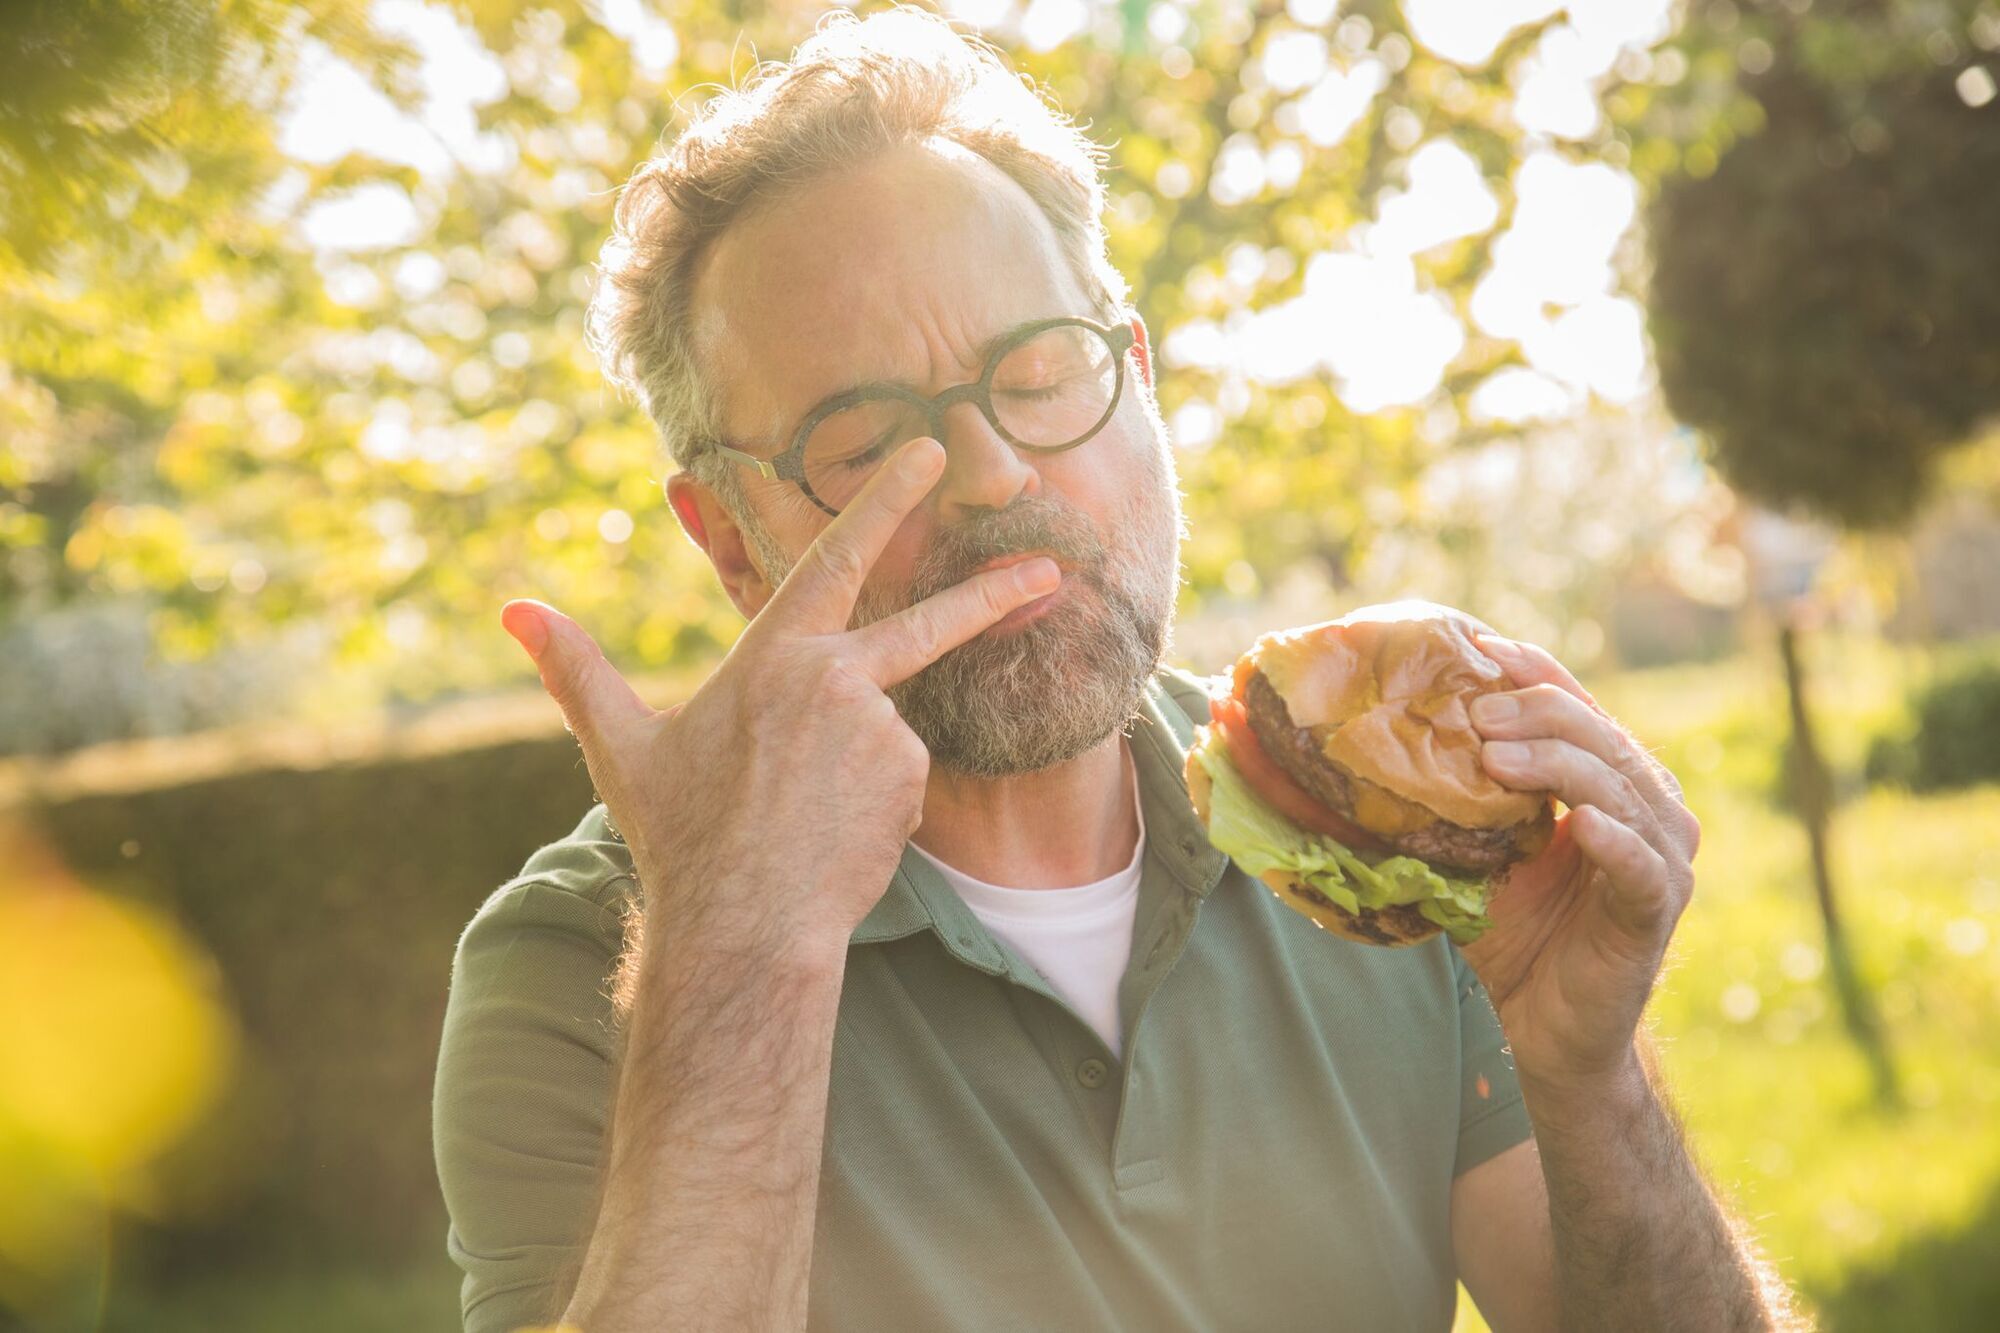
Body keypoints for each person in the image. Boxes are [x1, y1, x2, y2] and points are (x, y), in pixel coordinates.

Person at [432, 8, 1799, 1330]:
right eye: (861, 440)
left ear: (1138, 377)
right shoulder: (576, 966)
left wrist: (1589, 1079)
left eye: (1038, 371)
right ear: (732, 541)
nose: (994, 474)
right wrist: (735, 954)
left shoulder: (1372, 836)